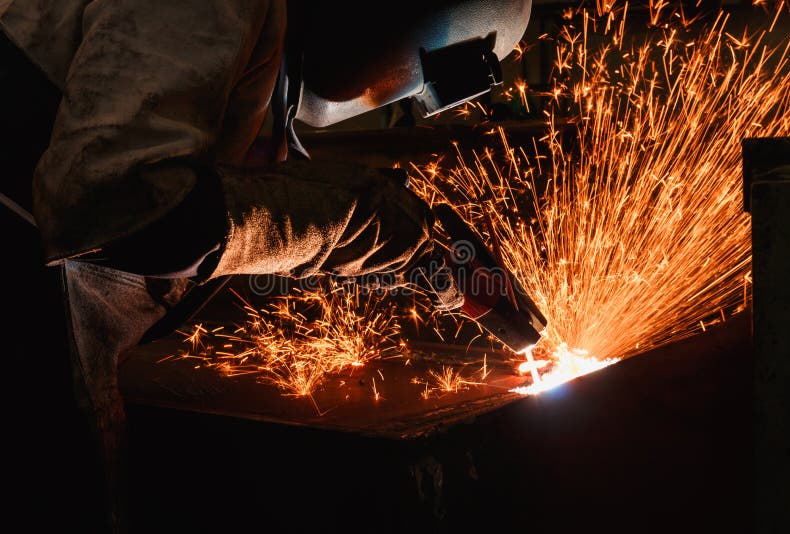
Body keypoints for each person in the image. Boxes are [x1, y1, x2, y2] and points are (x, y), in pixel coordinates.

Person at [0, 1, 532, 531]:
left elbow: (203, 208)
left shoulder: (251, 46)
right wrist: (356, 223)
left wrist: (382, 248)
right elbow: (109, 202)